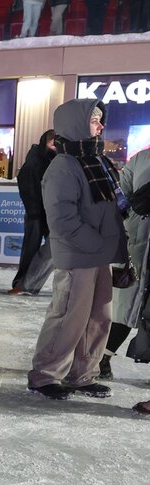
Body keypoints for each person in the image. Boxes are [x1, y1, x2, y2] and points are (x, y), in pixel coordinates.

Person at [27, 99, 126, 400]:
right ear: (77, 123)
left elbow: (110, 207)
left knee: (98, 318)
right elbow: (63, 219)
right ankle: (46, 375)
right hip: (79, 254)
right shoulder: (64, 166)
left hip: (101, 255)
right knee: (69, 316)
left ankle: (83, 374)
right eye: (94, 119)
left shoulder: (97, 161)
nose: (100, 125)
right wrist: (98, 244)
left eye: (99, 119)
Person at [100, 146, 150, 380]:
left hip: (138, 241)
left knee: (132, 306)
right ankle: (103, 357)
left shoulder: (141, 158)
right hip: (139, 244)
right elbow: (123, 198)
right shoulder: (142, 158)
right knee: (126, 306)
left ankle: (103, 357)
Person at [9, 129, 55, 296]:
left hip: (49, 211)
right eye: (52, 141)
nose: (55, 145)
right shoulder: (36, 158)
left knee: (53, 248)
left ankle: (25, 284)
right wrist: (33, 210)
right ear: (45, 141)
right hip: (36, 211)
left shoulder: (53, 158)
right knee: (32, 248)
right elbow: (27, 186)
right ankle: (21, 284)